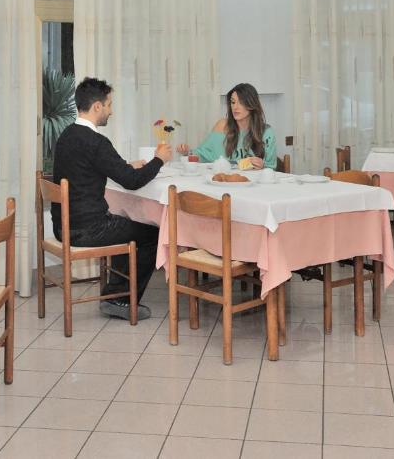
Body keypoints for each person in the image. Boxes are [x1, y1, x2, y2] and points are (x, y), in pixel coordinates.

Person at [52, 77, 172, 319]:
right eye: (109, 105)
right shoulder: (96, 142)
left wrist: (127, 165)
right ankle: (119, 300)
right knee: (153, 234)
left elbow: (92, 167)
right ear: (97, 106)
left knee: (124, 225)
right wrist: (160, 159)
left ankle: (114, 295)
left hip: (63, 226)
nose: (111, 111)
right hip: (88, 228)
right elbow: (132, 181)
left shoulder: (67, 135)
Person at [178, 83, 276, 169]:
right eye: (233, 102)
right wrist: (187, 152)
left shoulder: (266, 132)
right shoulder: (222, 126)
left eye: (241, 102)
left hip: (255, 184)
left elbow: (271, 167)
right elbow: (204, 154)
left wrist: (263, 165)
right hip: (226, 183)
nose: (235, 107)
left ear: (251, 104)